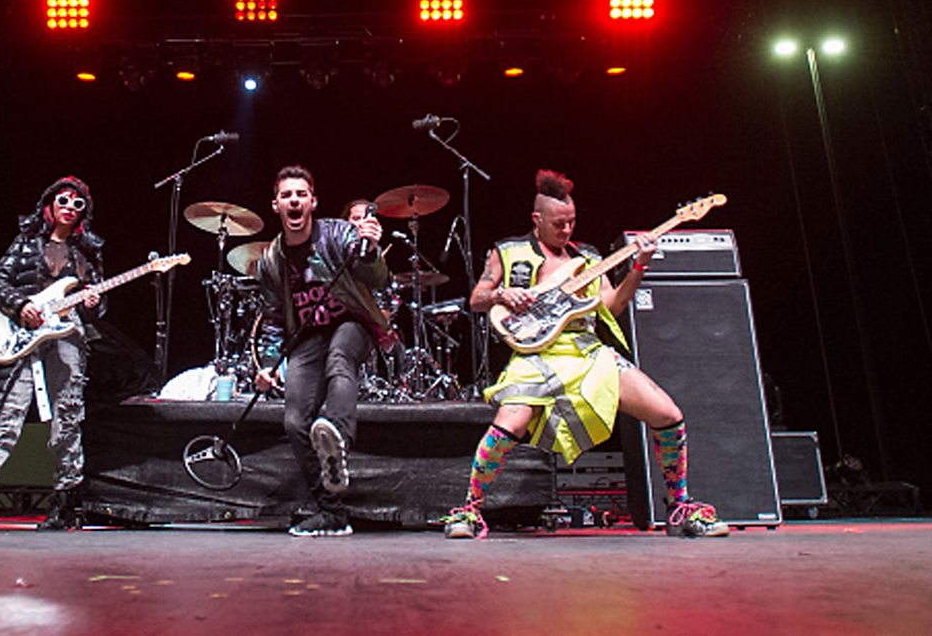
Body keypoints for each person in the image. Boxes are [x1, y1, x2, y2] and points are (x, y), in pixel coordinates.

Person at [442, 169, 729, 539]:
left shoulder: (589, 258)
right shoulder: (509, 252)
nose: (566, 230)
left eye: (572, 222)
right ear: (537, 219)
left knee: (668, 414)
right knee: (508, 425)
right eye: (558, 224)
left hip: (586, 352)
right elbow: (477, 299)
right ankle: (469, 510)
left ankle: (679, 507)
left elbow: (614, 304)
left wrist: (639, 265)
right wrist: (501, 294)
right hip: (535, 356)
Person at [0, 176, 105, 533]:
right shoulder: (25, 244)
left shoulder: (86, 256)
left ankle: (63, 504)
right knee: (6, 413)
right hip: (22, 334)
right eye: (63, 200)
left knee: (68, 417)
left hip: (67, 336)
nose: (70, 207)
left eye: (77, 203)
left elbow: (96, 306)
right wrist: (20, 305)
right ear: (49, 205)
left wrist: (94, 303)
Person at [254, 165, 390, 537]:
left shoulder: (339, 233)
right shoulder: (270, 260)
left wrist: (370, 250)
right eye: (286, 195)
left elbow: (379, 279)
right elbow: (273, 318)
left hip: (352, 323)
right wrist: (268, 364)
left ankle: (336, 434)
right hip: (307, 336)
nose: (294, 201)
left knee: (340, 359)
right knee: (294, 421)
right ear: (276, 205)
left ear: (313, 201)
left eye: (301, 194)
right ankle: (331, 512)